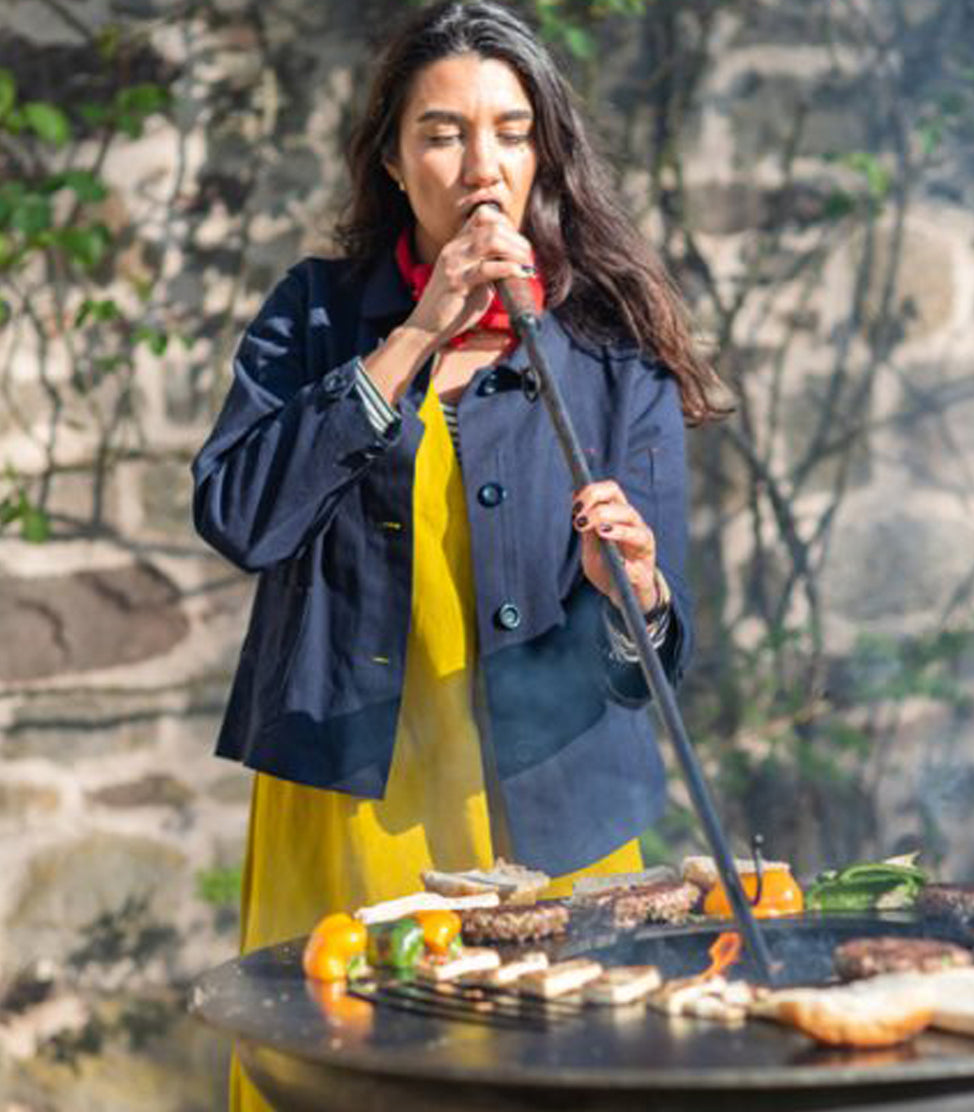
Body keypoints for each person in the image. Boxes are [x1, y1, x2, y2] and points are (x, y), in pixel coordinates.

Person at [191, 2, 726, 1106]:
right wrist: (416, 335)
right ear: (393, 160)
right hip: (351, 798)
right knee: (348, 1079)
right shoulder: (317, 315)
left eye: (510, 132)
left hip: (555, 811)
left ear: (543, 156)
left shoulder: (612, 351)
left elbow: (652, 662)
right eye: (443, 133)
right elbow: (241, 515)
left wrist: (634, 591)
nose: (482, 165)